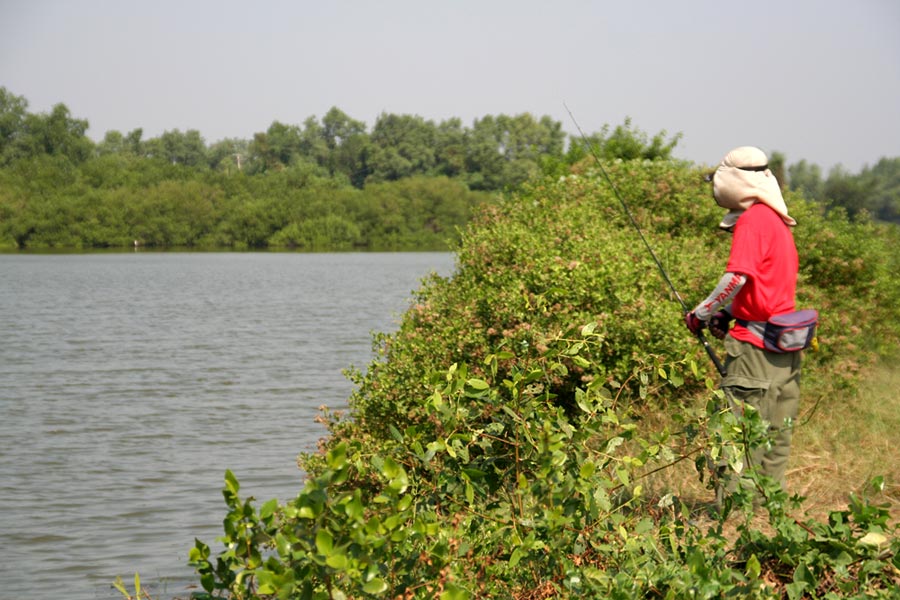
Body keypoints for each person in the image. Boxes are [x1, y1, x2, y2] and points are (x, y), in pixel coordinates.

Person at [684, 146, 803, 500]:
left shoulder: (753, 221)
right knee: (776, 438)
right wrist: (729, 313)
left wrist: (701, 314)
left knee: (739, 437)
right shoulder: (777, 220)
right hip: (786, 347)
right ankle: (769, 518)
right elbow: (763, 286)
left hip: (756, 351)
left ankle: (731, 520)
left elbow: (736, 278)